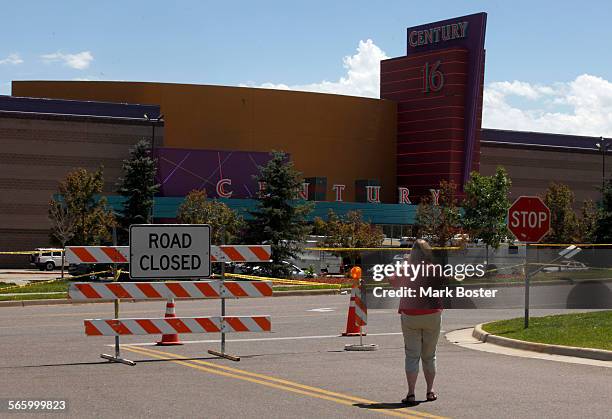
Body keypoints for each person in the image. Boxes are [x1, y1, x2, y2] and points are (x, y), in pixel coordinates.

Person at [388, 239, 443, 405]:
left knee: (412, 355)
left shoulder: (406, 269)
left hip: (410, 314)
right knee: (429, 355)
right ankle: (430, 391)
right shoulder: (435, 269)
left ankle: (411, 393)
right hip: (432, 313)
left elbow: (393, 282)